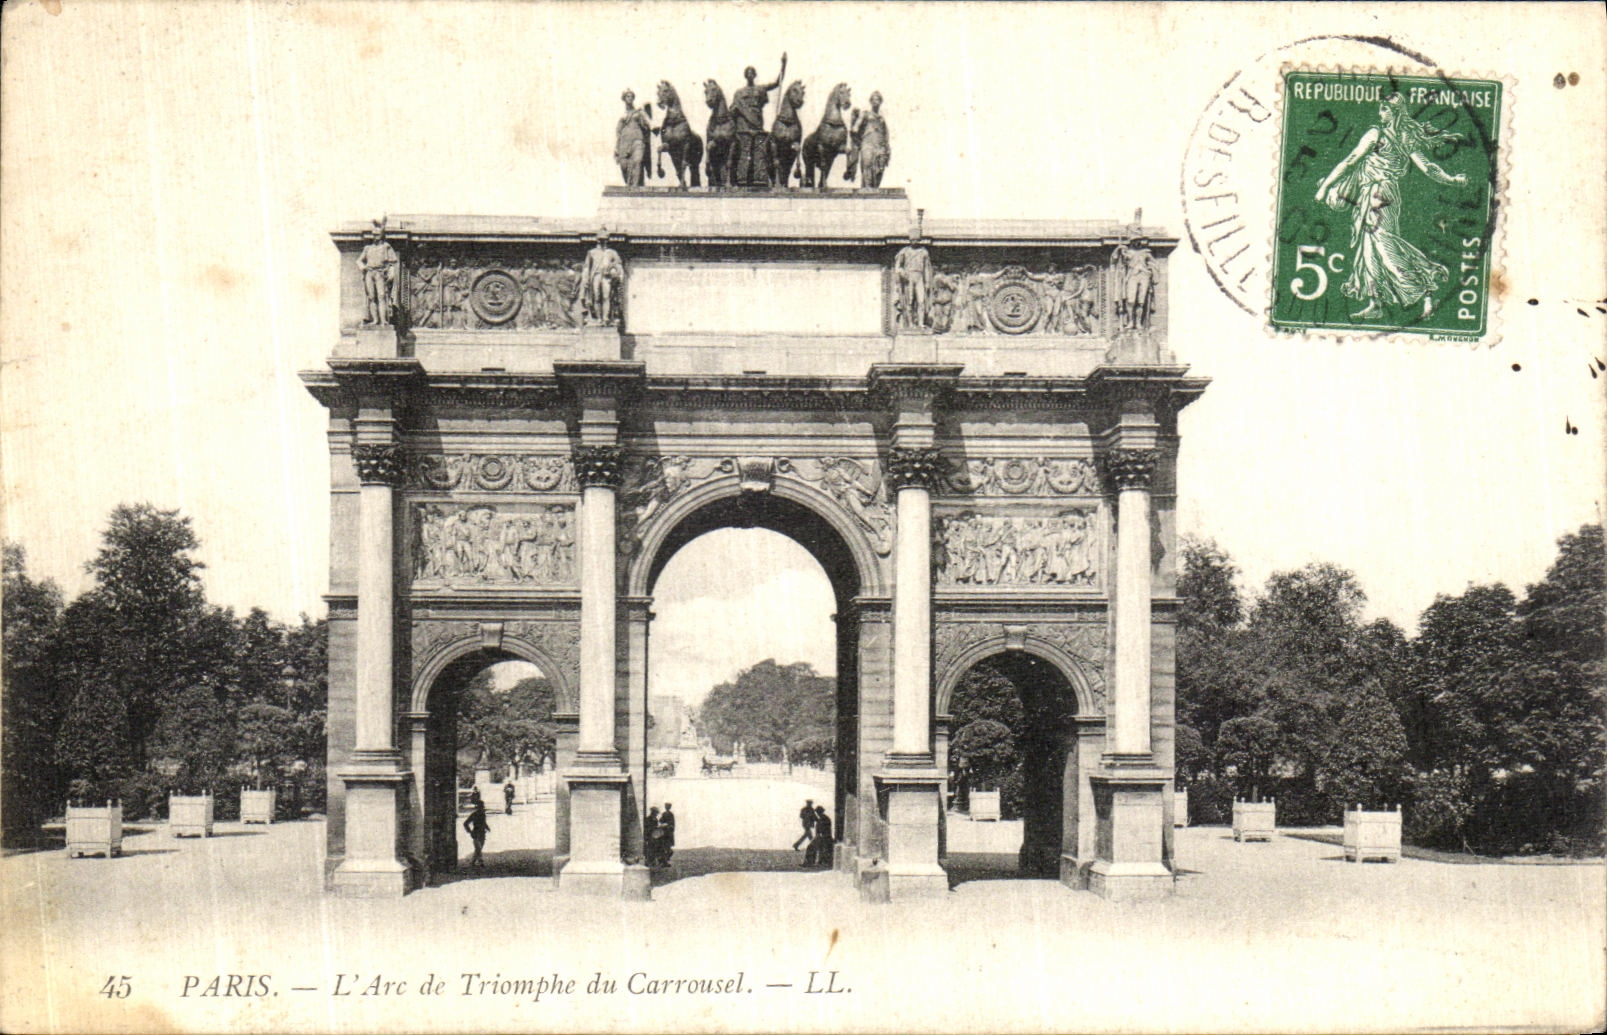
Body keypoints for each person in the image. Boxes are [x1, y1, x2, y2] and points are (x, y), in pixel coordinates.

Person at [1312, 91, 1468, 320]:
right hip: (1378, 194)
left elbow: (1351, 160)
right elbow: (1429, 168)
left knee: (1385, 247)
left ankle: (1426, 290)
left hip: (1378, 195)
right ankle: (1375, 303)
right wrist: (1452, 179)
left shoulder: (1377, 134)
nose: (1380, 113)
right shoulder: (1406, 138)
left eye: (1384, 109)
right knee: (1369, 251)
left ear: (1395, 112)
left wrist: (1325, 186)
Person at [730, 53, 786, 186]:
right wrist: (735, 110)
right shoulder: (739, 93)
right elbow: (732, 110)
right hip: (743, 127)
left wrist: (784, 65)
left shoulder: (760, 89)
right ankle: (740, 178)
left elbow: (777, 82)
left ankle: (760, 178)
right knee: (743, 153)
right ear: (745, 75)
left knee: (760, 154)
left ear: (754, 75)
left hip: (757, 126)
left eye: (752, 73)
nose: (750, 75)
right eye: (748, 73)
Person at [615, 89, 652, 187]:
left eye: (631, 96)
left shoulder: (639, 112)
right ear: (624, 98)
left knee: (638, 161)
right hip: (624, 142)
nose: (630, 98)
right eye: (628, 96)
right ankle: (630, 185)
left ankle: (635, 187)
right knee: (624, 166)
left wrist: (644, 123)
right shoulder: (622, 115)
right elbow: (618, 132)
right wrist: (616, 147)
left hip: (637, 140)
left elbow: (648, 124)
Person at [463, 800, 489, 869]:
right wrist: (469, 831)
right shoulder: (474, 814)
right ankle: (480, 862)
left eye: (482, 807)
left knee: (478, 848)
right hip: (476, 833)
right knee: (478, 848)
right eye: (480, 807)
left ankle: (473, 862)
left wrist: (487, 827)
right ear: (477, 807)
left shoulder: (483, 814)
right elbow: (465, 823)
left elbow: (484, 822)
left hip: (482, 833)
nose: (482, 808)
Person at [659, 803, 676, 867]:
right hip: (664, 834)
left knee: (668, 848)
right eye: (666, 806)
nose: (667, 807)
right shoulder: (663, 814)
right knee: (664, 848)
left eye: (668, 807)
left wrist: (668, 826)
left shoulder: (671, 814)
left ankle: (666, 861)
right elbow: (661, 820)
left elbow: (672, 824)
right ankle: (664, 861)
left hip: (668, 834)